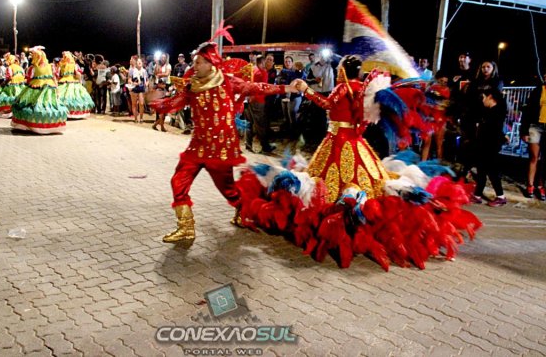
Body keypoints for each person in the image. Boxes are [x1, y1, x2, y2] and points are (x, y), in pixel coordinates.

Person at [234, 55, 482, 271]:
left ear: (343, 69)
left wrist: (306, 90)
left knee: (329, 184)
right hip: (357, 143)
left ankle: (340, 221)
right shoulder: (365, 89)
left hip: (337, 142)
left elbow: (326, 104)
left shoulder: (343, 88)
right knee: (372, 181)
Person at [148, 26, 296, 243]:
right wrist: (155, 102)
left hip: (220, 150)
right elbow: (174, 103)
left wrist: (287, 89)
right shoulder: (192, 87)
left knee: (229, 191)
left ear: (210, 63)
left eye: (199, 62)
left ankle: (243, 211)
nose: (194, 66)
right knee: (178, 181)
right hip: (197, 148)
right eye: (194, 62)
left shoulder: (227, 81)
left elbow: (255, 88)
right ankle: (186, 228)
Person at [11, 46, 69, 134]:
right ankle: (46, 124)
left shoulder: (33, 68)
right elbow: (54, 78)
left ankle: (34, 124)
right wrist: (56, 88)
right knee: (48, 106)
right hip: (49, 88)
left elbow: (29, 79)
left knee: (35, 105)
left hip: (37, 87)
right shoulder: (50, 66)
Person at [471, 87, 508, 207]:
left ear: (490, 97)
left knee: (492, 172)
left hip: (490, 146)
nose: (482, 100)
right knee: (481, 171)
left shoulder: (496, 112)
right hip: (484, 145)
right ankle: (477, 195)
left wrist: (501, 138)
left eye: (483, 97)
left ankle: (501, 196)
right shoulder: (490, 111)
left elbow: (494, 131)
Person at [520, 78, 546, 200]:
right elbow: (527, 110)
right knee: (534, 157)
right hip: (536, 126)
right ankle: (530, 185)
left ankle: (541, 186)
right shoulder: (538, 90)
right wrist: (523, 131)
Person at [57, 51, 95, 119]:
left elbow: (58, 74)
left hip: (63, 81)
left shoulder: (61, 65)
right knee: (75, 97)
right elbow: (78, 74)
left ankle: (63, 112)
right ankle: (73, 112)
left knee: (61, 96)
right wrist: (80, 81)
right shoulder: (74, 64)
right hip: (72, 81)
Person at [0, 52, 26, 117]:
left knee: (7, 97)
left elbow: (9, 76)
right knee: (18, 98)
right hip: (21, 85)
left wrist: (3, 84)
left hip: (12, 85)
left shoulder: (9, 67)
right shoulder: (20, 67)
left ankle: (9, 112)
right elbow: (24, 75)